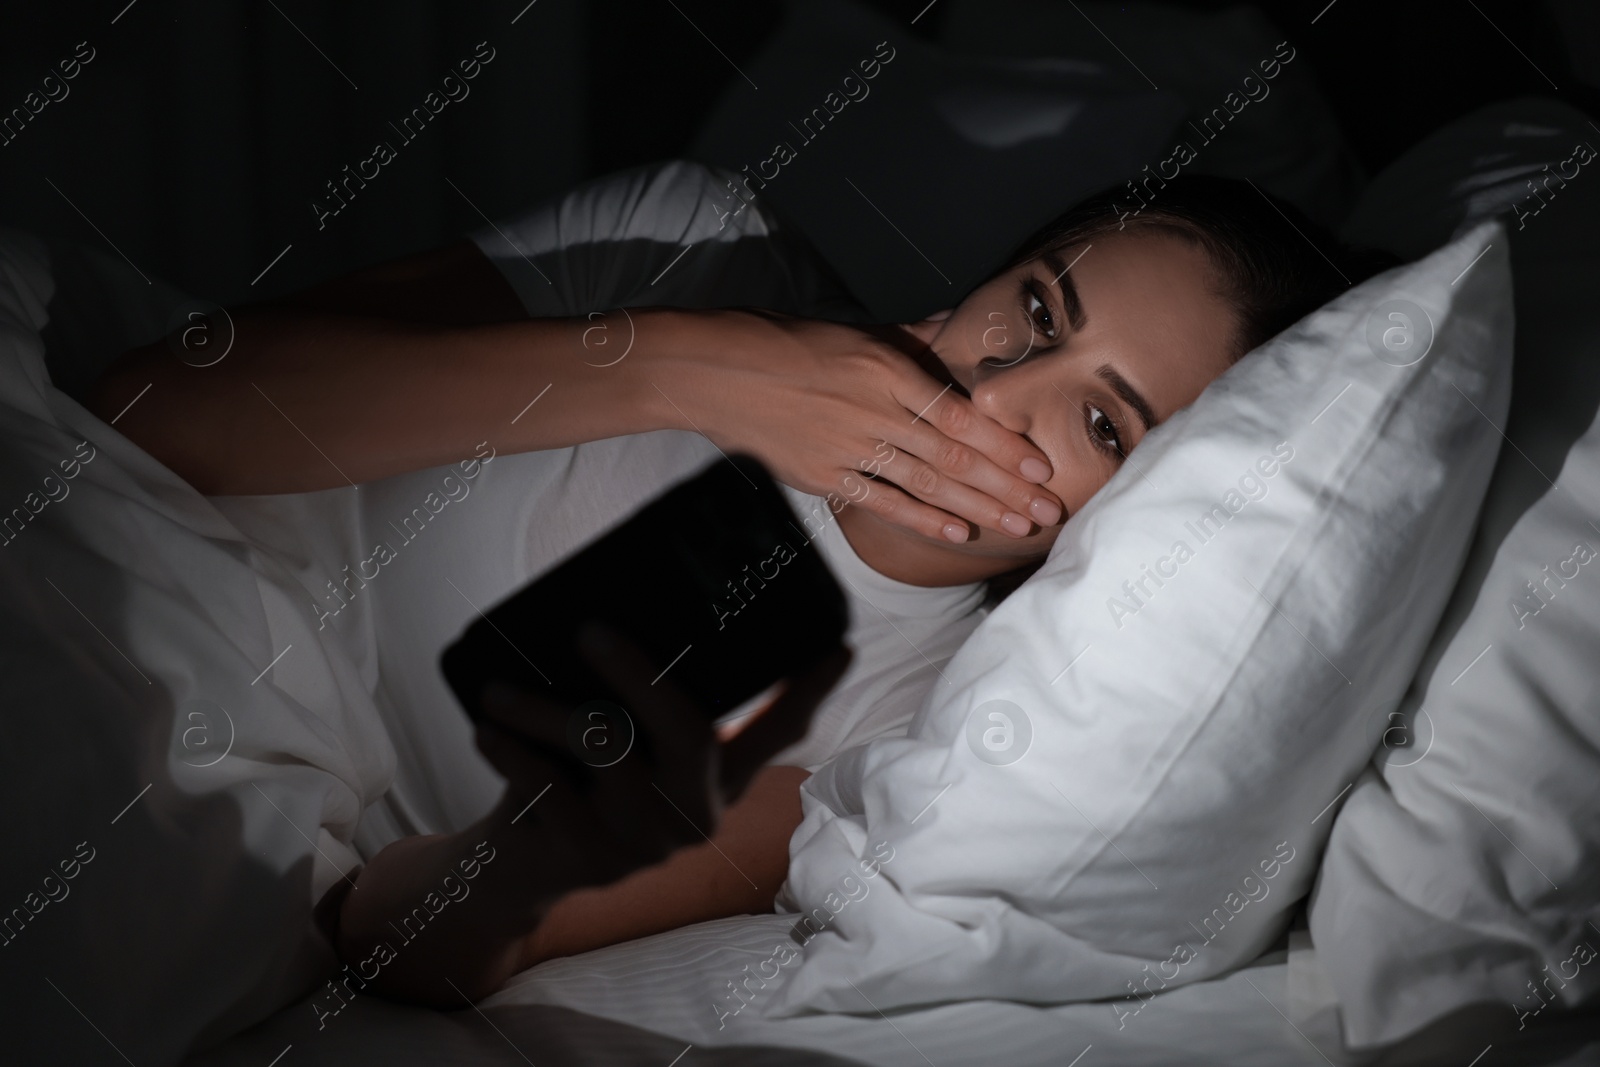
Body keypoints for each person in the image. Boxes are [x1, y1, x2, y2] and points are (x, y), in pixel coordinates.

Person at [87, 160, 1361, 1008]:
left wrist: (535, 863)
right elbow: (146, 406)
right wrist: (674, 366)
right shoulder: (696, 248)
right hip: (99, 522)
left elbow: (387, 932)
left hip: (174, 773)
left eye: (1101, 425)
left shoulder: (898, 739)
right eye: (1036, 306)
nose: (998, 386)